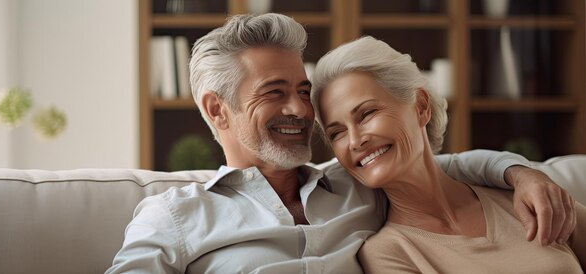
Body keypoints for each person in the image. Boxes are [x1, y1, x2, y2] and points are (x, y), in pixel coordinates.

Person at [107, 14, 576, 273]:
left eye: (303, 92)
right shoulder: (175, 217)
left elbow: (443, 164)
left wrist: (522, 173)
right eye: (275, 92)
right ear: (217, 109)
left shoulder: (355, 182)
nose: (299, 110)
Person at [310, 36, 585, 273]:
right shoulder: (391, 253)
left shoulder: (527, 198)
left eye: (367, 113)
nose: (356, 140)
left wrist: (521, 174)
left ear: (420, 107)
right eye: (337, 133)